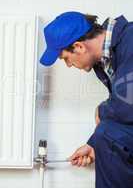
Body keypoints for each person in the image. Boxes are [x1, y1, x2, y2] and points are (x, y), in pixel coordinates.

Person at [40, 11, 133, 188]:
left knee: (106, 133)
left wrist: (100, 111)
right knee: (105, 135)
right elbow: (120, 115)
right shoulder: (105, 60)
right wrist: (94, 145)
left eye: (66, 59)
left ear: (79, 47)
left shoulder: (131, 41)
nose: (68, 65)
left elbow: (127, 105)